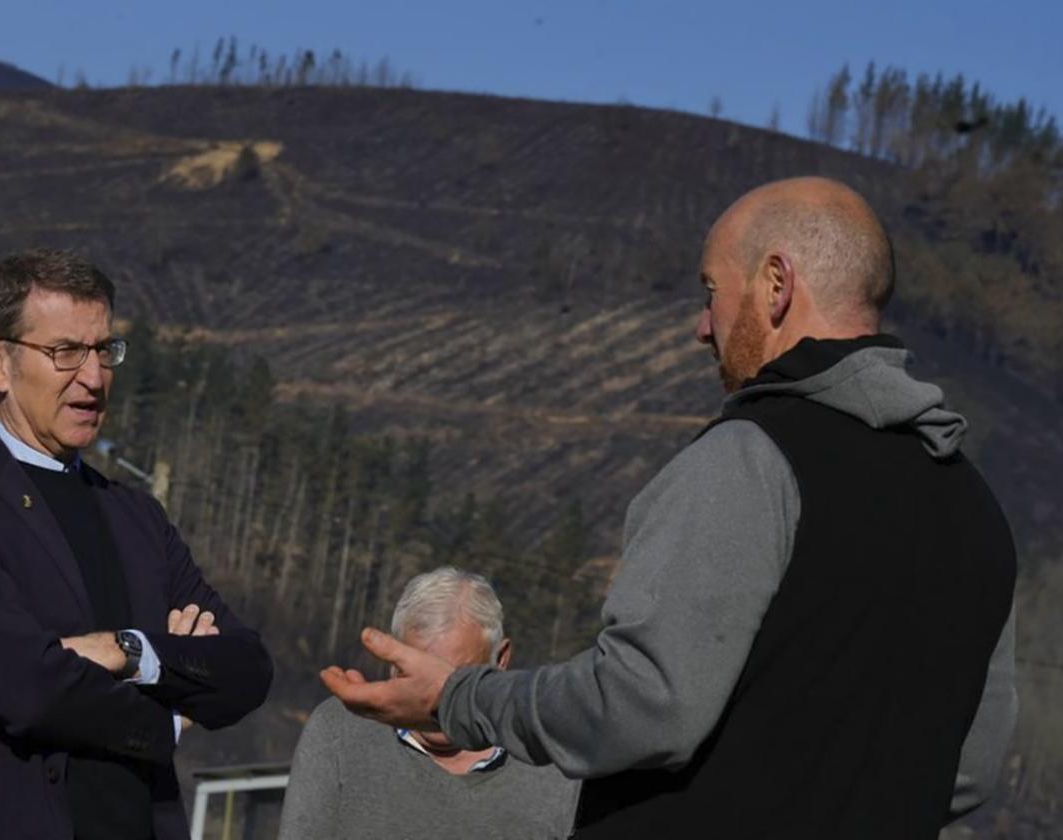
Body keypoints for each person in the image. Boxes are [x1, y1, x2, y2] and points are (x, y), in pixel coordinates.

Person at [322, 177, 1018, 839]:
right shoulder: (975, 509)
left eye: (712, 290)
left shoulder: (749, 458)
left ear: (775, 285)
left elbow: (640, 707)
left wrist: (460, 701)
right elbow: (969, 768)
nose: (701, 325)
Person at [0, 249, 273, 840]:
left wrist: (129, 651)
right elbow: (31, 689)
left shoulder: (136, 518)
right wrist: (168, 715)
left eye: (104, 350)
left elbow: (246, 669)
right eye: (65, 352)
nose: (93, 377)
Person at [280, 567, 580, 840]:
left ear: (500, 659)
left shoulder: (557, 756)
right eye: (412, 675)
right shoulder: (341, 732)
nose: (434, 696)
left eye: (457, 680)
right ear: (390, 661)